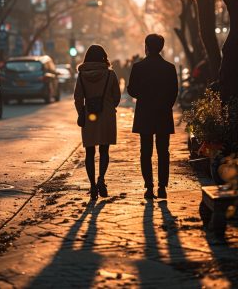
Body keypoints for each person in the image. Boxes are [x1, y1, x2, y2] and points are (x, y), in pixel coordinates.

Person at [127, 34, 178, 199]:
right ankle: (162, 187)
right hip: (163, 113)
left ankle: (149, 188)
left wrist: (142, 96)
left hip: (145, 113)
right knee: (163, 151)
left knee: (145, 152)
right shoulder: (169, 68)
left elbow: (132, 90)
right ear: (161, 47)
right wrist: (165, 105)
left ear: (146, 46)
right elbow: (174, 92)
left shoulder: (138, 66)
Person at [74, 44, 121, 200]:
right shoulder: (110, 74)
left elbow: (78, 98)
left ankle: (92, 185)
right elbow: (116, 97)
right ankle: (102, 179)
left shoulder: (81, 76)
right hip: (106, 115)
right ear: (104, 57)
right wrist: (108, 106)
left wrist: (82, 112)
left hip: (89, 116)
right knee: (104, 150)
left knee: (89, 152)